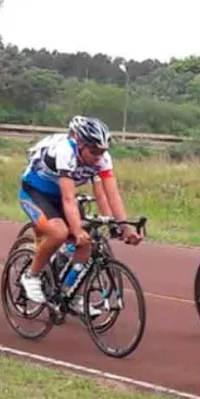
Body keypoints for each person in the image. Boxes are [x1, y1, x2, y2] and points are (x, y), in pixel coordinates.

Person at [17, 116, 142, 314]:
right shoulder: (65, 151)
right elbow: (68, 198)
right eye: (94, 152)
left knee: (86, 244)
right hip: (35, 193)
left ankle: (70, 294)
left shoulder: (102, 158)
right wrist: (76, 230)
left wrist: (124, 227)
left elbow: (111, 195)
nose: (98, 157)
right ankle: (31, 276)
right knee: (60, 233)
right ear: (80, 144)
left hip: (59, 197)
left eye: (102, 152)